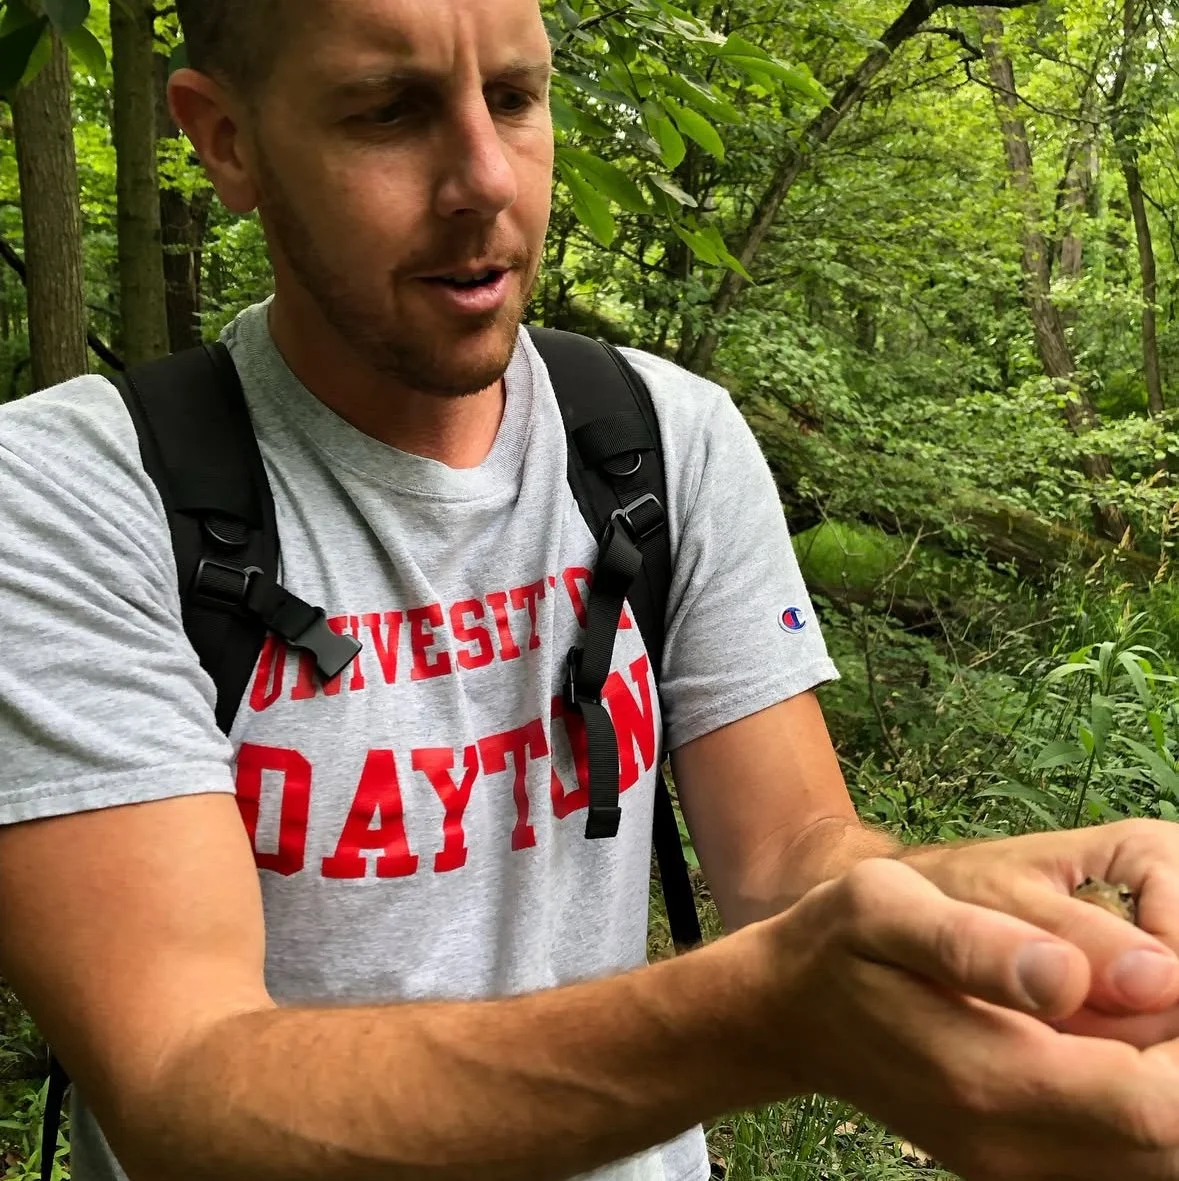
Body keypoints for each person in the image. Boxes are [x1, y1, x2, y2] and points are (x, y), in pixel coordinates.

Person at [3, 2, 1179, 1179]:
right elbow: (184, 1080)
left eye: (515, 99)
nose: (484, 180)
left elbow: (789, 855)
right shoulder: (70, 494)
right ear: (226, 141)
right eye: (389, 111)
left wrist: (961, 911)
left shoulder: (662, 440)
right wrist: (761, 1014)